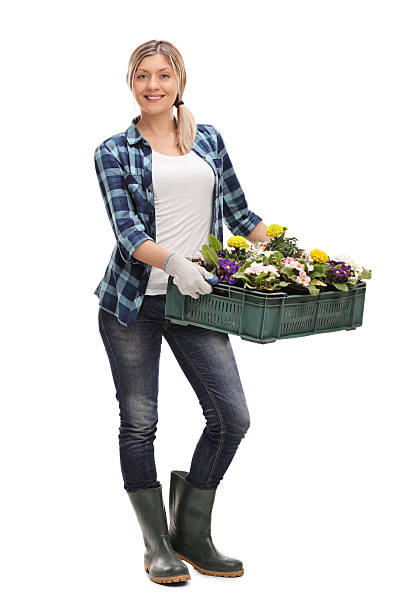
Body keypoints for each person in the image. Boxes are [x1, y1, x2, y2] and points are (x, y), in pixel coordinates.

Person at [94, 39, 266, 585]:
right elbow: (128, 234)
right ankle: (156, 545)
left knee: (230, 417)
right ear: (131, 82)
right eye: (142, 75)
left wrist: (299, 255)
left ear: (178, 81)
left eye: (162, 75)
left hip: (195, 303)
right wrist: (174, 263)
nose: (152, 85)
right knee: (140, 421)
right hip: (133, 304)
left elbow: (241, 213)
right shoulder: (114, 150)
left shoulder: (207, 140)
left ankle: (191, 534)